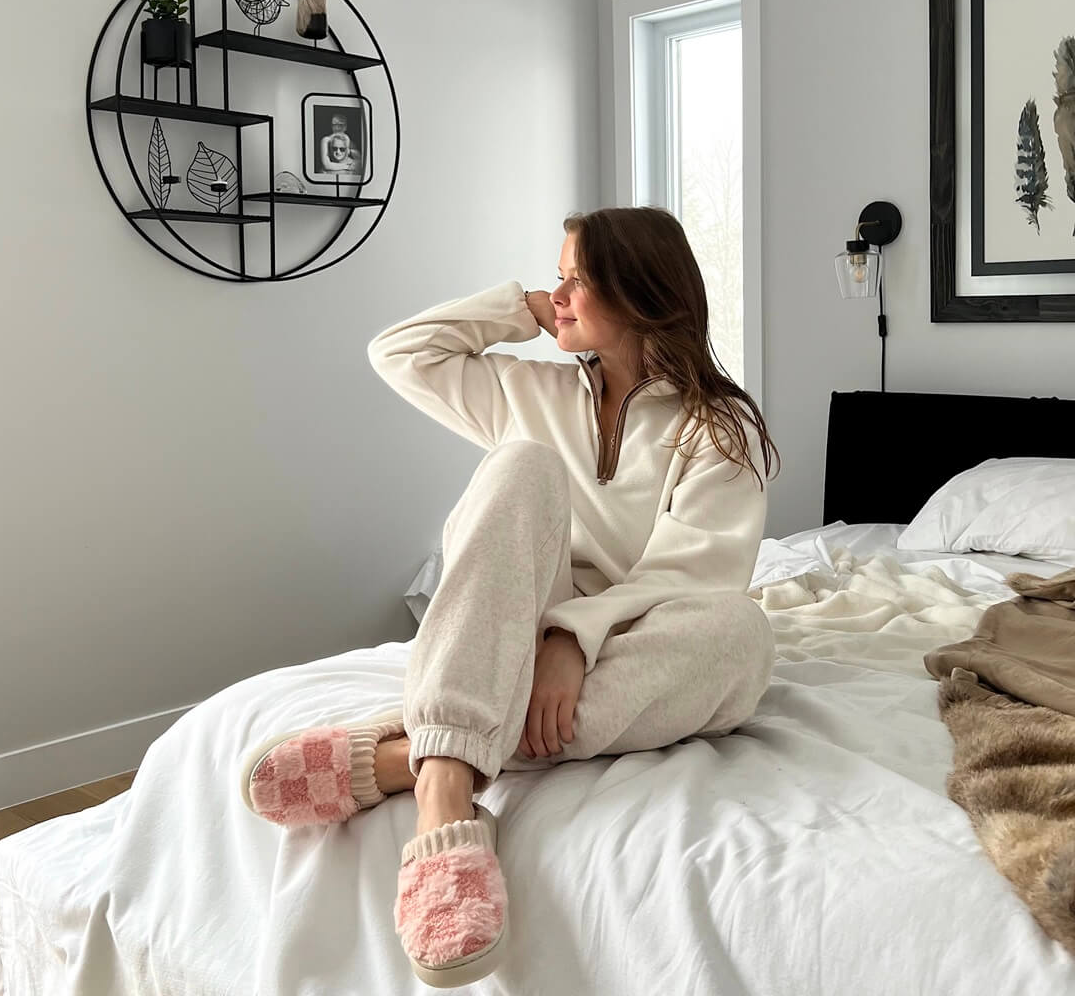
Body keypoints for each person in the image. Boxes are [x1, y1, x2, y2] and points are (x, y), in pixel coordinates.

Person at [238, 205, 781, 988]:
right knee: (520, 464)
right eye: (554, 280)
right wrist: (520, 311)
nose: (555, 294)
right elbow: (397, 353)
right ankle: (448, 793)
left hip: (629, 637)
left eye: (574, 282)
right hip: (510, 625)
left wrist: (572, 639)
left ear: (636, 293)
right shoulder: (528, 392)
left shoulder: (717, 427)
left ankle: (407, 754)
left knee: (741, 634)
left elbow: (689, 577)